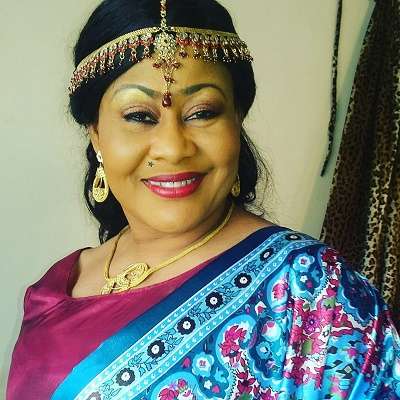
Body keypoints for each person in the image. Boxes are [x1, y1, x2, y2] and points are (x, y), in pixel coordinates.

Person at [6, 0, 400, 399]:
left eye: (202, 112)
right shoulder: (54, 289)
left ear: (237, 120)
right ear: (95, 134)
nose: (173, 147)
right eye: (140, 116)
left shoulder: (314, 292)